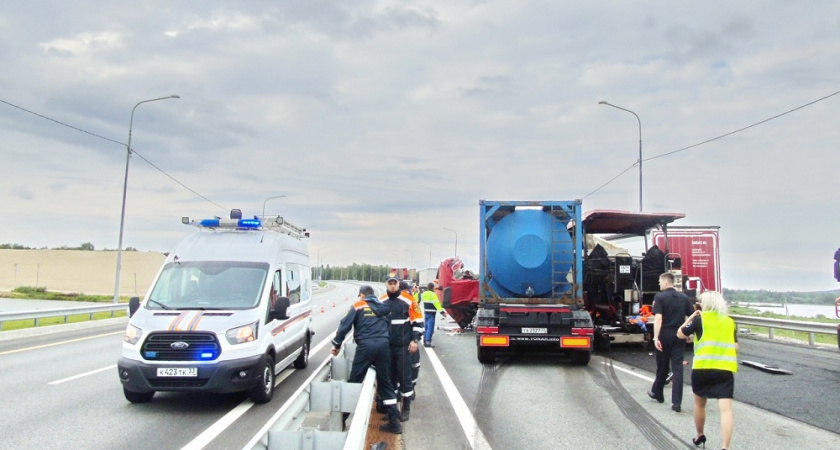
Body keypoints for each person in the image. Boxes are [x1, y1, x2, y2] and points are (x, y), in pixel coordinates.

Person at [330, 285, 402, 434]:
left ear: (362, 295)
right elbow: (388, 328)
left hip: (365, 347)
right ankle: (395, 422)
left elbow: (344, 326)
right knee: (385, 383)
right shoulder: (383, 307)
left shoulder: (358, 306)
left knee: (355, 381)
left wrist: (337, 344)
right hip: (383, 346)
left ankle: (342, 419)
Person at [678, 291, 738, 450]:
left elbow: (680, 334)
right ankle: (725, 447)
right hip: (724, 369)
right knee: (726, 410)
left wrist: (690, 318)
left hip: (702, 368)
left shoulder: (700, 319)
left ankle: (700, 434)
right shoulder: (730, 322)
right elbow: (735, 346)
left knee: (699, 404)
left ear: (705, 304)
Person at [648, 272, 694, 412]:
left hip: (664, 335)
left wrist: (656, 337)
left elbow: (658, 319)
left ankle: (659, 394)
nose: (659, 284)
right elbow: (692, 315)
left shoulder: (660, 297)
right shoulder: (684, 297)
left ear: (666, 282)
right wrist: (687, 331)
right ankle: (676, 403)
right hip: (679, 335)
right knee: (677, 368)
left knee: (662, 366)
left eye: (660, 282)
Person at [380, 275, 424, 422]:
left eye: (395, 283)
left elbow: (418, 321)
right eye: (390, 283)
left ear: (398, 284)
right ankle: (392, 411)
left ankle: (406, 409)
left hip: (404, 347)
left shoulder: (409, 300)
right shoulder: (381, 301)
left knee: (405, 378)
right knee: (389, 380)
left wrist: (415, 340)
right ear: (386, 285)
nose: (392, 286)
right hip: (387, 348)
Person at [418, 282, 447, 347]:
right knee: (430, 328)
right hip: (432, 313)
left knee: (426, 327)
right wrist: (442, 313)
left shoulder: (424, 294)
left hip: (426, 312)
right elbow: (437, 304)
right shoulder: (433, 295)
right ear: (432, 288)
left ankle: (425, 340)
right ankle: (428, 342)